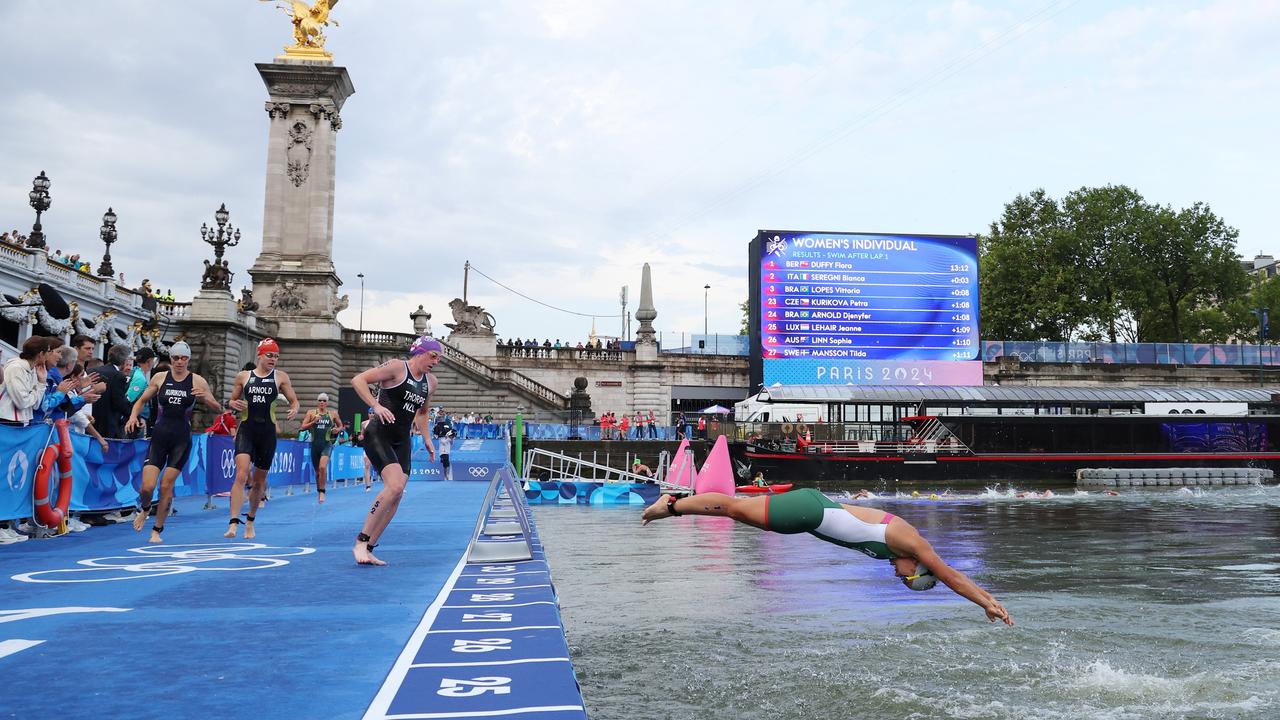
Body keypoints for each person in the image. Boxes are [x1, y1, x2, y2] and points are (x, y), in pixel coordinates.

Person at [641, 489, 1013, 625]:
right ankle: (670, 505)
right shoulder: (913, 544)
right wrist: (986, 602)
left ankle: (675, 501)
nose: (898, 576)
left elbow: (853, 516)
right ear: (918, 569)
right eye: (906, 578)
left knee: (737, 507)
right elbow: (951, 576)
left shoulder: (898, 548)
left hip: (813, 508)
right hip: (809, 514)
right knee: (735, 510)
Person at [350, 335, 440, 565]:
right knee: (395, 485)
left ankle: (369, 547)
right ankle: (360, 541)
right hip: (379, 433)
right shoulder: (397, 367)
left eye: (439, 358)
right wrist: (376, 405)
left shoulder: (431, 382)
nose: (436, 361)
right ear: (420, 352)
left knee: (397, 495)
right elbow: (358, 380)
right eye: (433, 356)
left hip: (402, 439)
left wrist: (428, 439)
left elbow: (422, 413)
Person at [125, 341, 222, 544]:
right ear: (171, 359)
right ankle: (144, 509)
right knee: (146, 488)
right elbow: (141, 400)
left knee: (166, 486)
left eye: (183, 358)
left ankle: (157, 529)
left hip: (181, 439)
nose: (179, 362)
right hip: (159, 436)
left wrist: (206, 398)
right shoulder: (160, 378)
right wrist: (133, 416)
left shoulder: (198, 381)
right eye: (176, 358)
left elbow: (217, 408)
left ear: (188, 360)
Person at [224, 338, 299, 539]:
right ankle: (233, 523)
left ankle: (250, 520)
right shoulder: (243, 376)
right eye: (269, 355)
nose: (273, 359)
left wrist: (294, 409)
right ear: (260, 355)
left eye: (276, 356)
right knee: (241, 474)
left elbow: (294, 400)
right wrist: (233, 404)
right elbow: (232, 399)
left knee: (259, 482)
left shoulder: (280, 377)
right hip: (246, 430)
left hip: (267, 433)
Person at [300, 392, 343, 503]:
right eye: (320, 400)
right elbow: (302, 427)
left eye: (324, 400)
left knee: (323, 467)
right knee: (317, 472)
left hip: (327, 444)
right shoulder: (311, 413)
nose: (322, 402)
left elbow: (340, 426)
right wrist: (313, 422)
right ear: (317, 402)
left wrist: (337, 430)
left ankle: (323, 492)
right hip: (315, 445)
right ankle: (319, 490)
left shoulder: (332, 414)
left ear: (327, 402)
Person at [91, 344, 133, 439]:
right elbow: (119, 402)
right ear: (124, 360)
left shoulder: (93, 370)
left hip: (92, 421)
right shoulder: (118, 376)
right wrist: (134, 415)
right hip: (109, 424)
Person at [126, 347, 157, 438]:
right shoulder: (140, 378)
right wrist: (138, 417)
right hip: (135, 421)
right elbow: (128, 399)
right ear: (149, 361)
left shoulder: (135, 371)